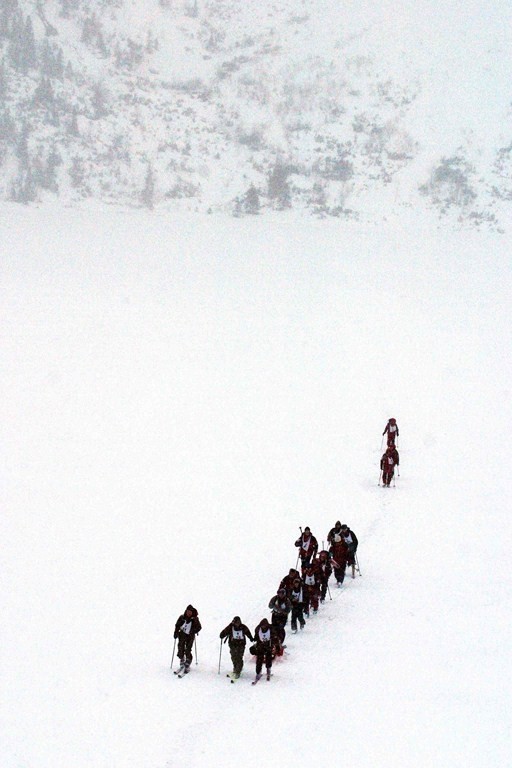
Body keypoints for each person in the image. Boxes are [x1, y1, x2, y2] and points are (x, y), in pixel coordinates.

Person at [173, 604, 201, 673]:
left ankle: (188, 662)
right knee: (180, 647)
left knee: (188, 649)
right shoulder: (182, 617)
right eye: (188, 611)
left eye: (190, 612)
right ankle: (182, 660)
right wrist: (176, 632)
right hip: (182, 634)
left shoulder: (195, 619)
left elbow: (199, 627)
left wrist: (193, 631)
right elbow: (177, 625)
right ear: (186, 611)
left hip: (190, 636)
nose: (189, 613)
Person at [268, 588, 291, 654]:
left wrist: (282, 611)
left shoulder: (287, 600)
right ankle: (275, 641)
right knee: (274, 628)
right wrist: (275, 607)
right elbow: (270, 606)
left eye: (282, 594)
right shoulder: (275, 598)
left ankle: (280, 641)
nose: (280, 595)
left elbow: (288, 609)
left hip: (283, 617)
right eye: (279, 593)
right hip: (275, 615)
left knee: (280, 628)